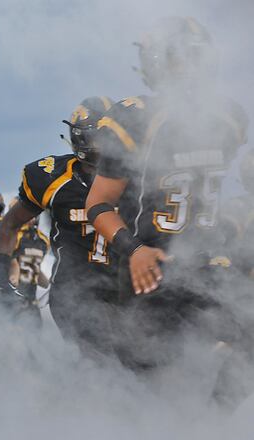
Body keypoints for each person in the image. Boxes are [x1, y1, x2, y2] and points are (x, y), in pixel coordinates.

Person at [86, 18, 248, 379]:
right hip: (151, 265)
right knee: (152, 381)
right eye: (182, 57)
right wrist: (134, 250)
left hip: (207, 262)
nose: (193, 67)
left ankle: (216, 422)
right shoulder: (135, 118)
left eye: (199, 57)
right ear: (159, 63)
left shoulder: (229, 116)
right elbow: (97, 204)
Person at [0, 96, 121, 360]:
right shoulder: (53, 178)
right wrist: (1, 276)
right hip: (76, 291)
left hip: (123, 288)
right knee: (104, 364)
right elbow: (10, 223)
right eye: (103, 136)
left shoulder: (134, 176)